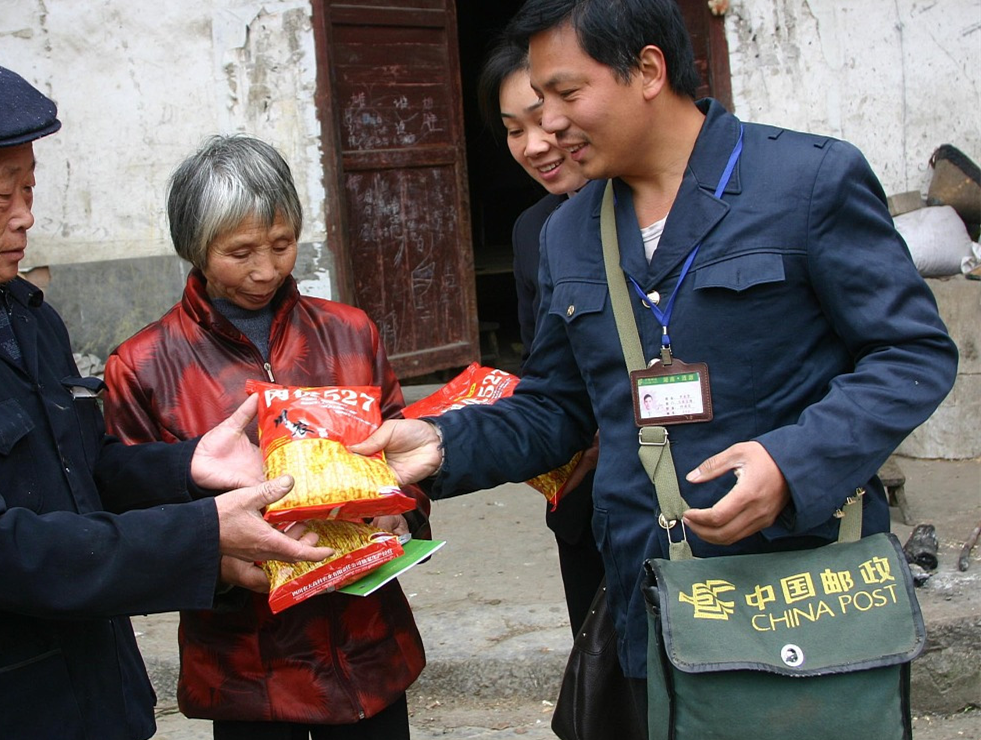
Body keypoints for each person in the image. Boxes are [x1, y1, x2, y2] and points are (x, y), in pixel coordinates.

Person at [353, 0, 958, 729]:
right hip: (652, 589)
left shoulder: (806, 182)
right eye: (541, 101)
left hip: (799, 584)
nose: (549, 124)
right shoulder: (569, 231)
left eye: (568, 95)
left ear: (647, 70)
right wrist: (444, 443)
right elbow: (558, 407)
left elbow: (911, 351)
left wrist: (793, 464)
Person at [0, 55, 333, 740]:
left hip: (101, 696)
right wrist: (201, 535)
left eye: (30, 188)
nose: (26, 216)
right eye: (3, 195)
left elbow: (82, 474)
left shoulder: (27, 319)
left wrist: (188, 466)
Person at [103, 134, 430, 739]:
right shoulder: (144, 366)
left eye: (282, 245)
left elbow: (401, 450)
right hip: (245, 666)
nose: (266, 269)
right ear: (195, 250)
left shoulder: (349, 332)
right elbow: (134, 512)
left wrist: (399, 514)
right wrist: (218, 559)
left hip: (363, 646)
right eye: (240, 252)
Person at [476, 38, 601, 634]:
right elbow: (547, 373)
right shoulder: (535, 230)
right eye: (513, 129)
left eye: (546, 118)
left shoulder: (657, 208)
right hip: (584, 494)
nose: (536, 144)